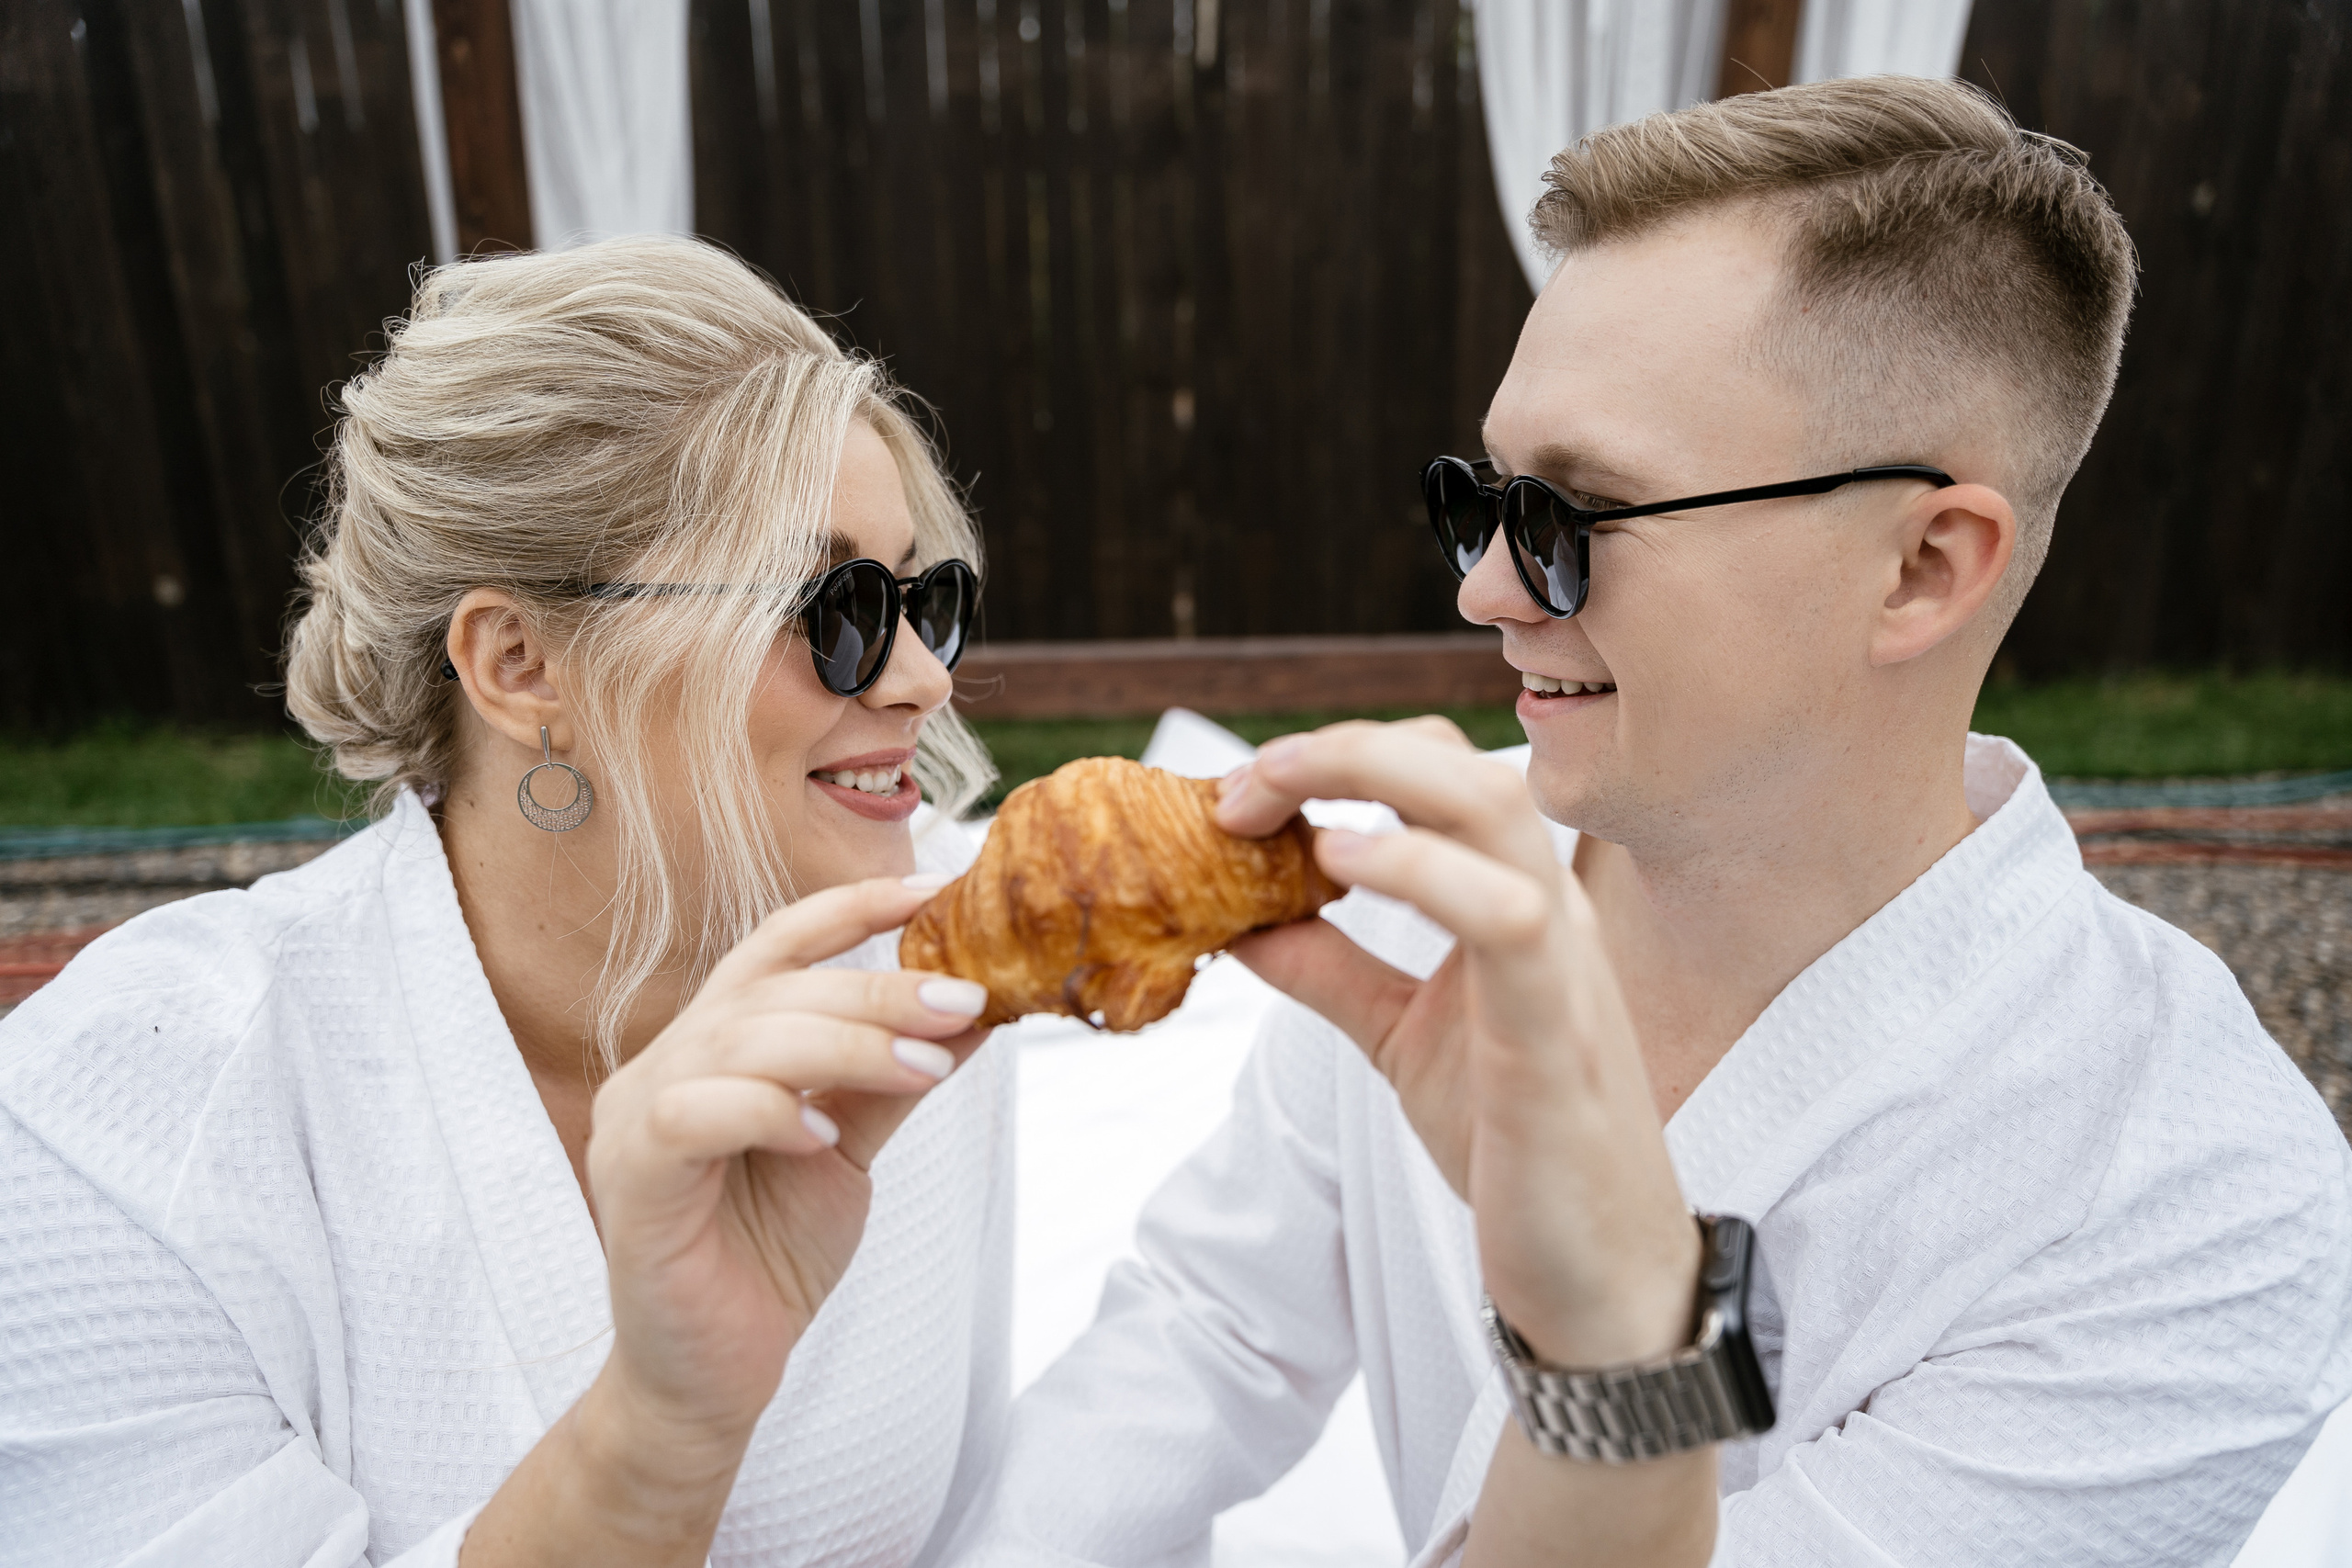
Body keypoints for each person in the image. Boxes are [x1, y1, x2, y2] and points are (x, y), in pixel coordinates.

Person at [963, 77, 2352, 1566]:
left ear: (1923, 568)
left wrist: (1620, 1348)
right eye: (1482, 499)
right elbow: (1215, 1329)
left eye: (1573, 519)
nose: (1481, 590)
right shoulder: (1418, 879)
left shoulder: (2192, 1207)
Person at [0, 237, 1014, 1566]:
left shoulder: (932, 977)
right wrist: (655, 1434)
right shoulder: (117, 1124)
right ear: (522, 663)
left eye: (926, 599)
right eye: (834, 606)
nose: (923, 679)